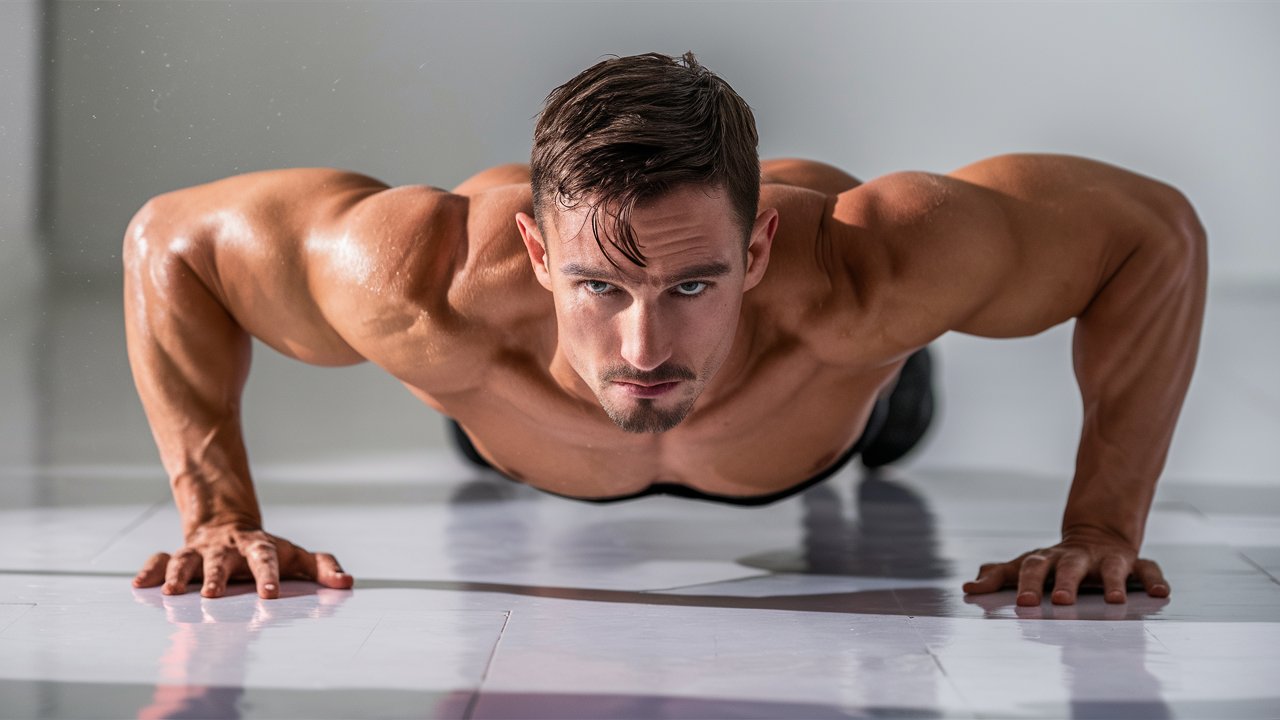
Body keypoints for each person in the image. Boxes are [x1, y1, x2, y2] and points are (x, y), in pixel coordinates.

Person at [123, 52, 1205, 607]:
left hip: (823, 415)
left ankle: (893, 387)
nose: (643, 350)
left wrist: (1099, 533)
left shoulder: (878, 271)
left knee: (884, 376)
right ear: (538, 258)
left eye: (690, 286)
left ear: (758, 251)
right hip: (517, 425)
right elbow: (169, 242)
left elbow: (1148, 234)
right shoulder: (418, 285)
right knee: (476, 387)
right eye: (597, 286)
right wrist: (217, 517)